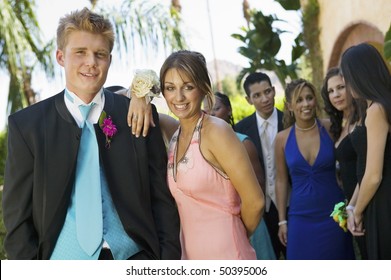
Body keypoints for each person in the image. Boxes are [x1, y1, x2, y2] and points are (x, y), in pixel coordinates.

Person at [2, 8, 180, 260]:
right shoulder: (27, 126)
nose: (91, 62)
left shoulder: (138, 116)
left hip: (135, 258)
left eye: (100, 54)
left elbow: (161, 201)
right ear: (61, 57)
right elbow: (17, 217)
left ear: (109, 59)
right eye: (80, 53)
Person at [160, 50, 264, 259]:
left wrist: (234, 233)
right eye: (170, 88)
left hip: (228, 254)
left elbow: (255, 201)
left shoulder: (217, 131)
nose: (178, 97)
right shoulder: (174, 138)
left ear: (203, 88)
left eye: (188, 87)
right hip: (191, 256)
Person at [275, 78, 355, 259]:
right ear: (289, 106)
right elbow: (280, 181)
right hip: (300, 217)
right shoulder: (282, 138)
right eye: (299, 100)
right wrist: (282, 220)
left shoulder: (330, 128)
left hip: (334, 214)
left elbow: (347, 161)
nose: (306, 104)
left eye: (309, 98)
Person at [210, 91, 276, 260]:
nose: (211, 113)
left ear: (229, 110)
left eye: (216, 108)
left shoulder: (243, 142)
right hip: (219, 225)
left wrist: (242, 221)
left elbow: (259, 186)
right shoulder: (203, 146)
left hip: (248, 221)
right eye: (208, 109)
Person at [340, 43, 391, 259]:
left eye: (347, 75)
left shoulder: (377, 109)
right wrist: (352, 206)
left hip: (383, 202)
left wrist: (357, 212)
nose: (345, 82)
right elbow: (365, 166)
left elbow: (373, 175)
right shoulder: (375, 106)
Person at [235, 72, 286, 259]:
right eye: (257, 95)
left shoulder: (290, 121)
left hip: (290, 208)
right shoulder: (240, 130)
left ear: (273, 91)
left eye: (267, 92)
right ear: (249, 100)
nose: (265, 99)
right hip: (259, 215)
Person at [320, 67, 367, 259]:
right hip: (352, 202)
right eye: (331, 91)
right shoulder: (339, 123)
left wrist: (355, 206)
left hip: (366, 198)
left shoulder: (364, 118)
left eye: (340, 87)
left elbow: (365, 169)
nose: (336, 94)